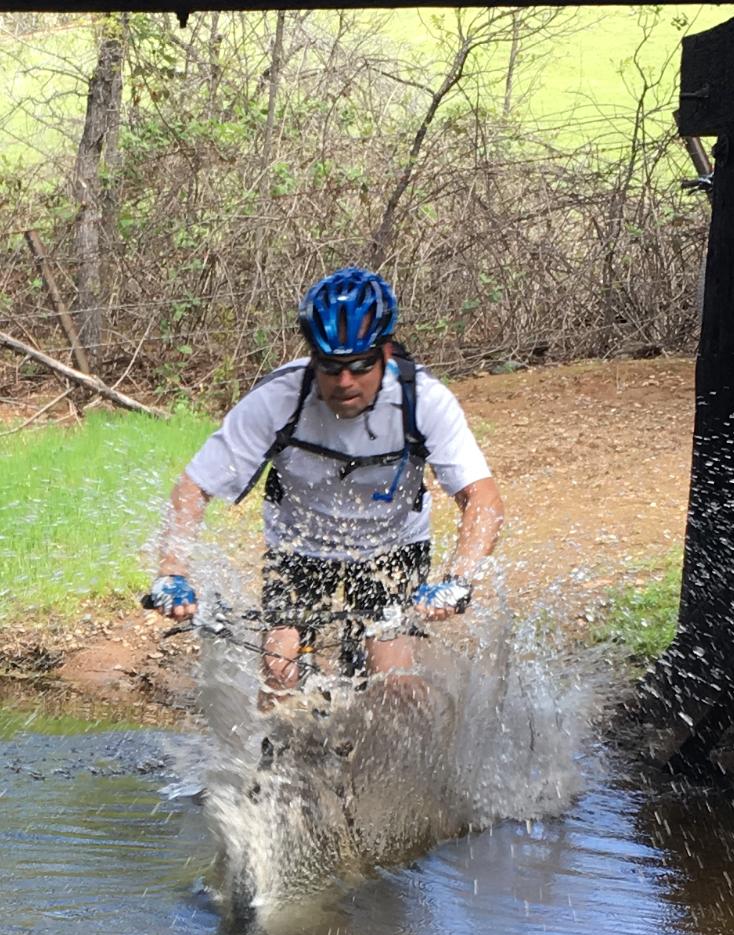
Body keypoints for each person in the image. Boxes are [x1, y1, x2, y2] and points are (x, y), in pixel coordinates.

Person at [151, 267, 504, 692]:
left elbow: (482, 498)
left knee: (394, 685)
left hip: (391, 548)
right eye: (331, 366)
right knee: (281, 671)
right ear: (313, 359)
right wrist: (172, 572)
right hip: (300, 546)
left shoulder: (424, 400)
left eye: (360, 365)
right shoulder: (277, 398)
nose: (345, 381)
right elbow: (194, 486)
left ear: (386, 354)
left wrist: (458, 580)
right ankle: (279, 754)